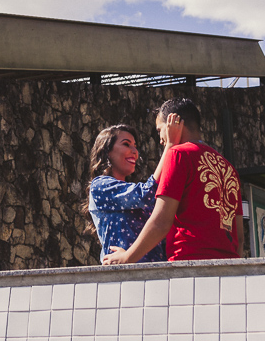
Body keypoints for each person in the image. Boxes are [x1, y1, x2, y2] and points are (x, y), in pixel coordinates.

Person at [102, 98, 244, 264]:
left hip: (188, 264)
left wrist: (127, 257)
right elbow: (239, 238)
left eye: (159, 130)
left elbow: (161, 222)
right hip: (230, 268)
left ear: (174, 122)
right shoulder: (229, 168)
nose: (160, 139)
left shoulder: (178, 154)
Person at [86, 124, 167, 263]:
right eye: (126, 144)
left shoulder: (134, 194)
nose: (135, 151)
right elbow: (147, 193)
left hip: (155, 275)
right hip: (125, 278)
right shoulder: (99, 186)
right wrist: (170, 147)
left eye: (135, 146)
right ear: (107, 151)